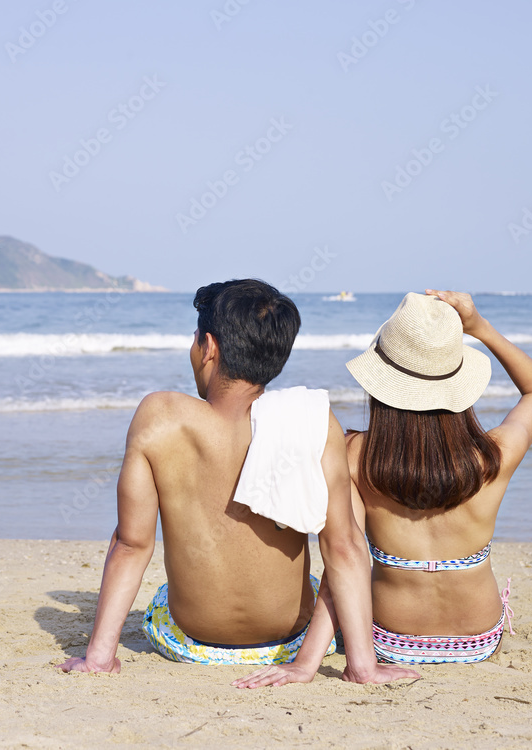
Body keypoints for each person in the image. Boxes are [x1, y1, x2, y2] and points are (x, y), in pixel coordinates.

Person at [57, 279, 418, 683]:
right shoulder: (311, 421)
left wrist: (99, 657)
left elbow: (131, 544)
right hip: (289, 642)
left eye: (195, 340)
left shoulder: (159, 417)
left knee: (158, 597)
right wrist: (363, 666)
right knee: (342, 530)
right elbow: (345, 548)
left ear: (209, 347)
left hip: (191, 641)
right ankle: (361, 664)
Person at [233, 289, 532, 686]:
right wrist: (479, 327)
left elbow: (344, 559)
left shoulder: (354, 456)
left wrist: (306, 665)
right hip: (479, 641)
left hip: (388, 642)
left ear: (381, 385)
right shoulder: (494, 456)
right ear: (459, 385)